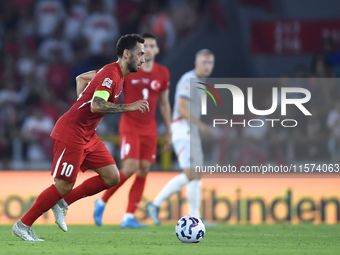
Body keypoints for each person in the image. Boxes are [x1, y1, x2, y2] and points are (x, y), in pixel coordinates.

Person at [12, 34, 149, 241]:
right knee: (64, 185)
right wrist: (127, 107)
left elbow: (81, 79)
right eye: (140, 54)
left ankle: (63, 203)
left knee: (112, 176)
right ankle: (23, 225)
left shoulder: (113, 72)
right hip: (72, 132)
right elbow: (96, 105)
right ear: (127, 53)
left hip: (87, 133)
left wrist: (80, 101)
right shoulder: (111, 75)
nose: (143, 59)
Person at [93, 32, 171, 228]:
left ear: (158, 50)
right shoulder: (129, 70)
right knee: (130, 168)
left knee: (144, 169)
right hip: (130, 125)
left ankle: (128, 216)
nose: (149, 50)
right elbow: (107, 81)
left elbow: (164, 104)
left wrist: (169, 129)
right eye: (146, 47)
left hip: (150, 128)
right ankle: (102, 200)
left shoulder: (163, 73)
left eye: (153, 46)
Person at [146, 49, 214, 225]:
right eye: (204, 62)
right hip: (182, 130)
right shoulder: (189, 79)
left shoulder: (200, 82)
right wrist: (202, 126)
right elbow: (182, 107)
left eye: (210, 63)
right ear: (196, 63)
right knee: (191, 172)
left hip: (191, 131)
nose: (207, 66)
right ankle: (155, 203)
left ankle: (195, 218)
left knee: (196, 174)